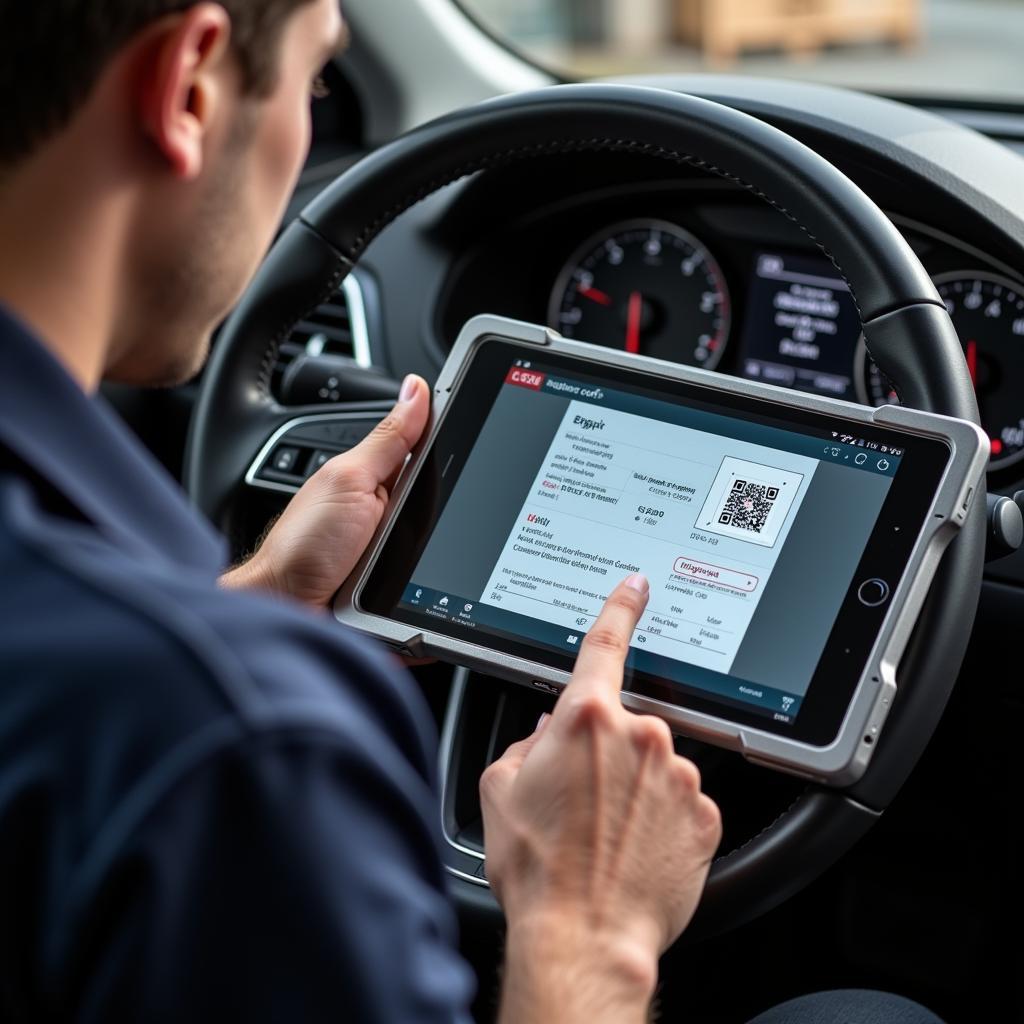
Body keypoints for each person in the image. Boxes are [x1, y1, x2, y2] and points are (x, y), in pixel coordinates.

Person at [0, 1, 947, 1021]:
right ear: (187, 86)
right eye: (320, 80)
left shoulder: (144, 680)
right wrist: (591, 925)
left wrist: (266, 596)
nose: (311, 122)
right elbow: (177, 712)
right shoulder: (241, 743)